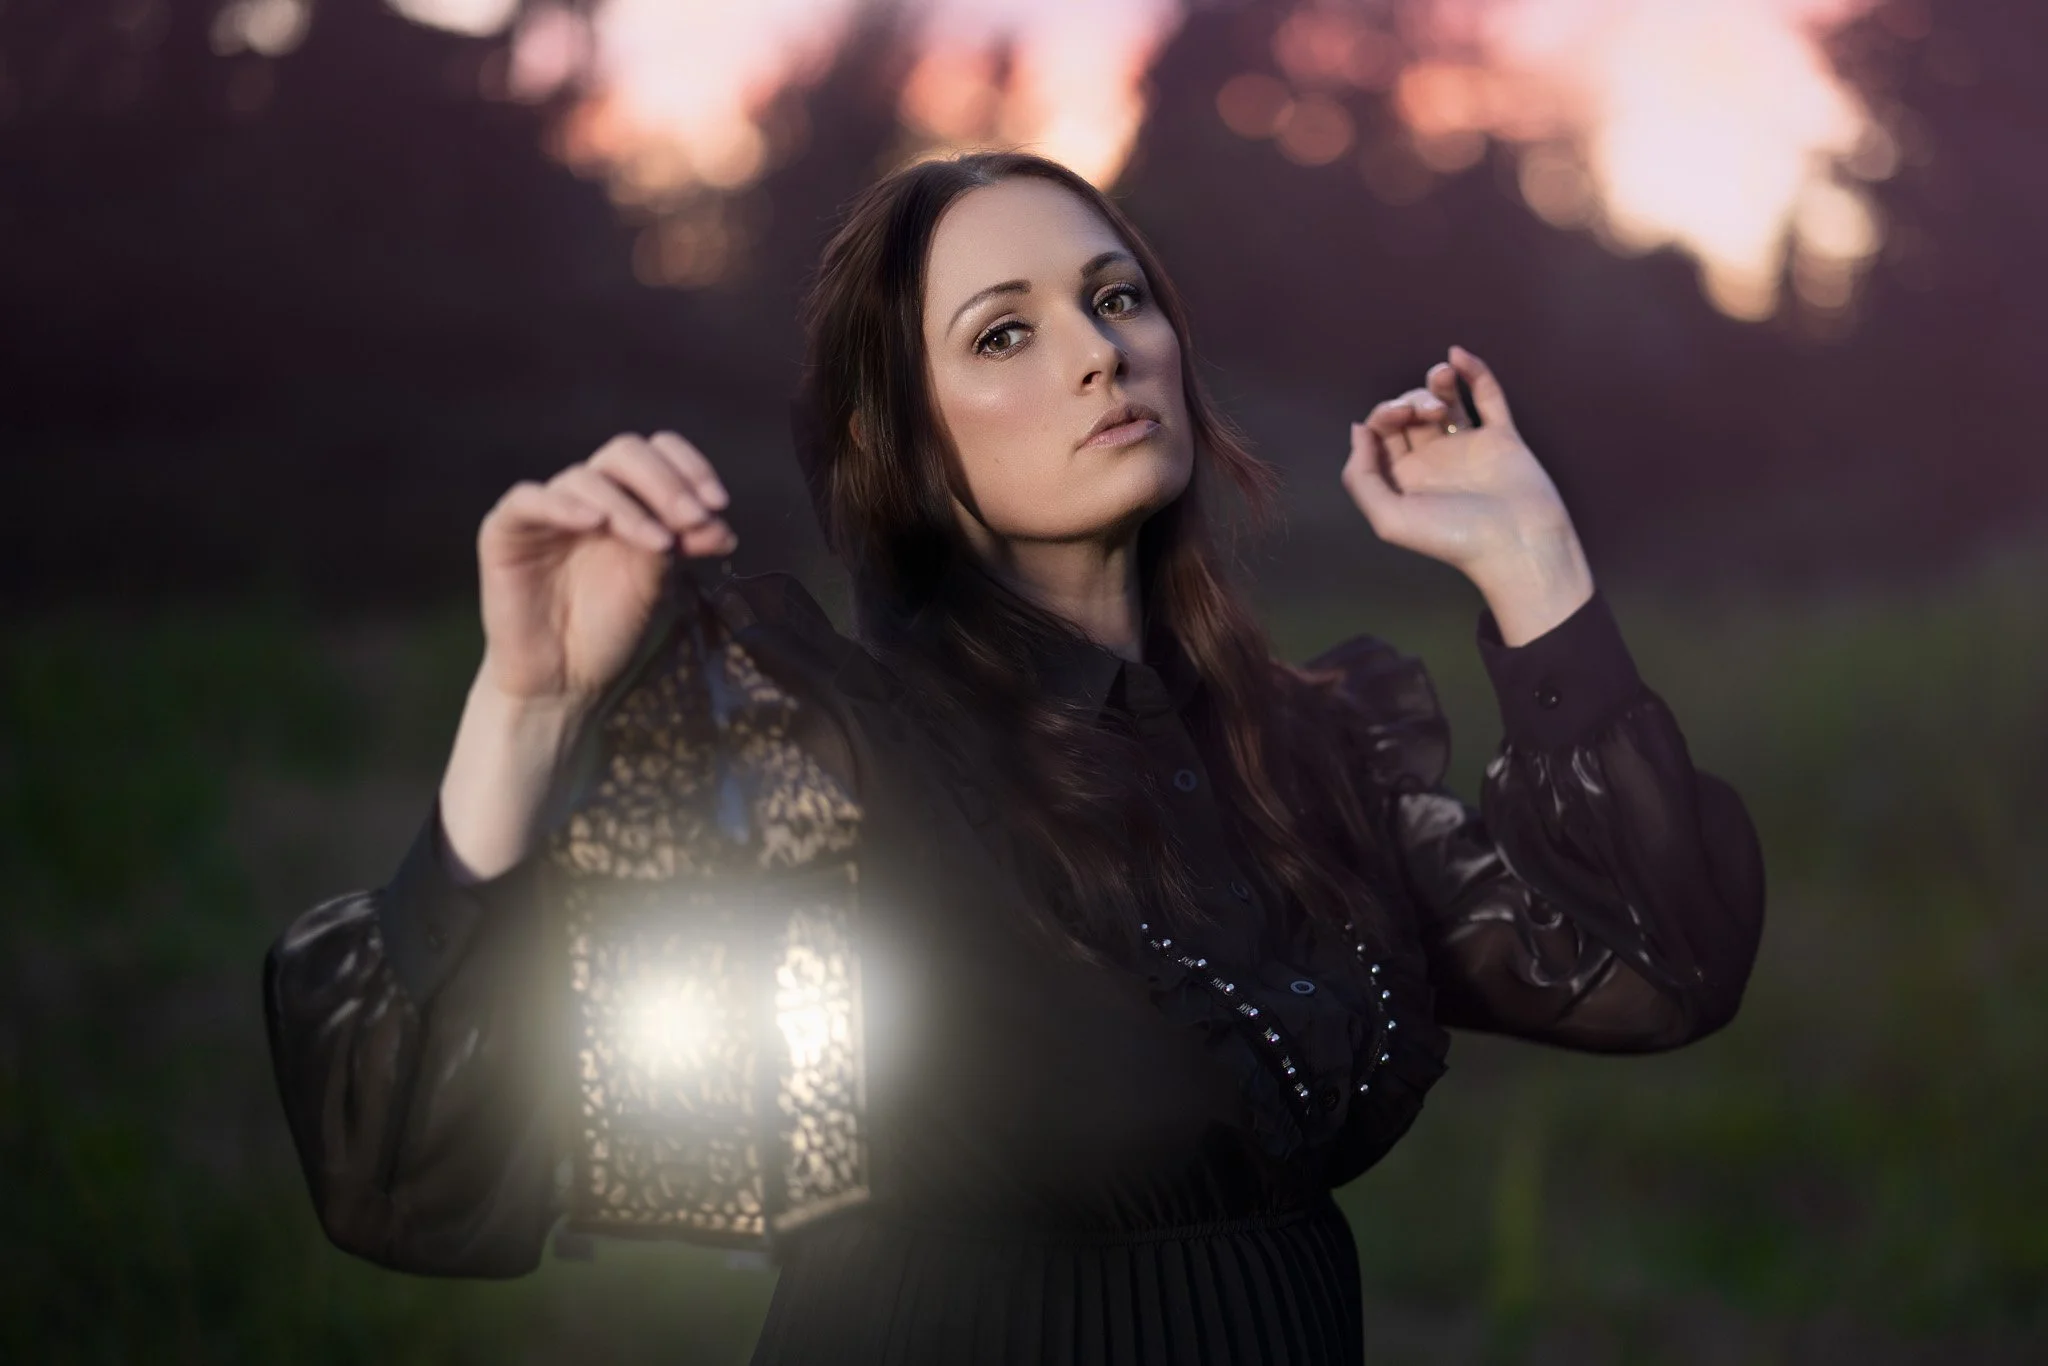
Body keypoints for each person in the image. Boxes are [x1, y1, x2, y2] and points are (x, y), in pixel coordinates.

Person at [262, 150, 1766, 1364]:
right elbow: (411, 1178)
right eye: (1005, 332)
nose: (1101, 353)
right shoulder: (839, 761)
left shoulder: (1305, 753)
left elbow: (1654, 966)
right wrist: (525, 702)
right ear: (899, 437)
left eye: (1119, 298)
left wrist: (1531, 561)